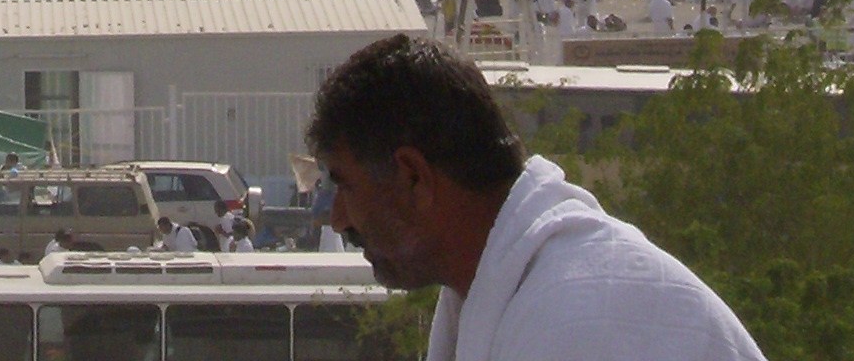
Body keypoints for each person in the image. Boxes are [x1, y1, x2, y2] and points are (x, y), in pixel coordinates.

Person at [307, 34, 764, 360]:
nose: (338, 218)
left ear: (412, 177)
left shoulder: (578, 322)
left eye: (344, 184)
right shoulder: (524, 292)